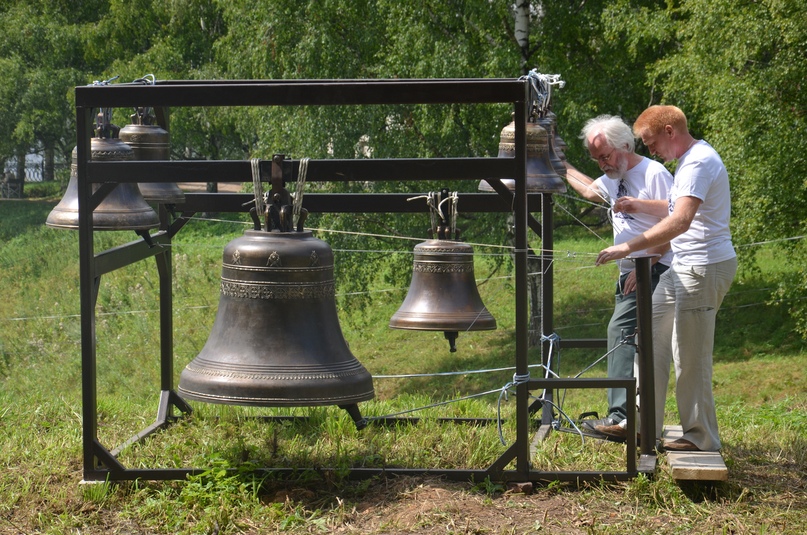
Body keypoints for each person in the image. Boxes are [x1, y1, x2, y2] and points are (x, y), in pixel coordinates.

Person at [596, 105, 737, 452]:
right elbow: (675, 207)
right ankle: (645, 426)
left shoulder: (699, 162)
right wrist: (638, 206)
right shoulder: (688, 162)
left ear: (670, 131)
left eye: (651, 141)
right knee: (651, 338)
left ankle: (701, 437)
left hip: (703, 268)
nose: (649, 150)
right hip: (684, 267)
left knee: (689, 354)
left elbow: (681, 221)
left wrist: (628, 247)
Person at [564, 115, 673, 440]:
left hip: (653, 270)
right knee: (631, 342)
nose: (602, 163)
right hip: (631, 273)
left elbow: (676, 221)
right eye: (596, 158)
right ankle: (632, 420)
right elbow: (589, 190)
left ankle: (621, 420)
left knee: (621, 332)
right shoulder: (614, 176)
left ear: (625, 145)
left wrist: (649, 262)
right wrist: (560, 163)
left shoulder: (654, 173)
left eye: (606, 156)